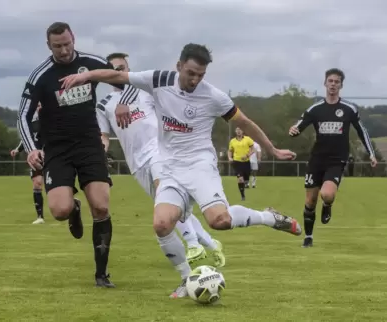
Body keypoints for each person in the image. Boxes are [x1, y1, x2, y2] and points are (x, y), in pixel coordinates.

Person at [61, 43, 302, 298]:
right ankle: (188, 280)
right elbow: (118, 76)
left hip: (200, 166)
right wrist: (85, 76)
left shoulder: (214, 96)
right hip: (169, 168)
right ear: (178, 67)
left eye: (201, 74)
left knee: (219, 221)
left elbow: (246, 123)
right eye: (190, 73)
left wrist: (272, 150)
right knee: (162, 224)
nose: (195, 79)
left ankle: (268, 217)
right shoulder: (159, 80)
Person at [17, 22, 139, 288]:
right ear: (49, 46)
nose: (63, 50)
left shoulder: (91, 63)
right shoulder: (41, 75)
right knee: (59, 210)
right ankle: (74, 208)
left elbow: (129, 80)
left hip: (89, 145)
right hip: (57, 149)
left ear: (74, 39)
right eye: (57, 46)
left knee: (102, 206)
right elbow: (22, 116)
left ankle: (101, 275)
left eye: (67, 44)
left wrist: (123, 101)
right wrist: (31, 148)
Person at [97, 52, 226, 266]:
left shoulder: (145, 91)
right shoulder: (103, 105)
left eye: (124, 68)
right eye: (116, 69)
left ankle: (193, 244)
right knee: (171, 209)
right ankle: (212, 244)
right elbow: (103, 136)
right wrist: (101, 151)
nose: (121, 72)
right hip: (136, 163)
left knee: (164, 197)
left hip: (160, 153)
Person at [289, 68, 377, 248]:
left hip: (337, 160)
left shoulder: (349, 109)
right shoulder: (316, 109)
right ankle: (309, 237)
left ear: (341, 86)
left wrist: (371, 153)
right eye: (330, 81)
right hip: (317, 159)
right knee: (310, 201)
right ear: (325, 83)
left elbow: (362, 131)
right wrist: (294, 131)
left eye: (337, 82)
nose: (333, 85)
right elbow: (300, 125)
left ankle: (328, 205)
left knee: (327, 194)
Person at [11, 103, 47, 224]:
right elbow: (26, 138)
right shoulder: (29, 121)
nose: (38, 107)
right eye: (36, 105)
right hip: (35, 156)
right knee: (37, 184)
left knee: (54, 185)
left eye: (40, 104)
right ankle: (40, 216)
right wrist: (17, 149)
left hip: (51, 155)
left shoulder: (50, 118)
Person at [228, 127, 254, 200]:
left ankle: (245, 183)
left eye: (240, 130)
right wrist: (230, 157)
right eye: (237, 130)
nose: (239, 131)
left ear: (243, 131)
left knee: (246, 179)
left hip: (246, 162)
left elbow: (253, 149)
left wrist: (247, 155)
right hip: (237, 162)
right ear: (235, 131)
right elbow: (230, 150)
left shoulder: (248, 139)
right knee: (240, 179)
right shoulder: (232, 141)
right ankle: (242, 196)